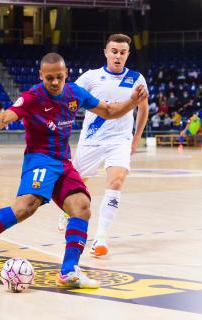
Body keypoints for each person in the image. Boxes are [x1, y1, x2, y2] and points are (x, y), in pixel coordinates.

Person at [0, 53, 148, 288]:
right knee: (24, 207)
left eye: (59, 77)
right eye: (50, 78)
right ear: (41, 76)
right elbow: (4, 118)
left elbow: (109, 111)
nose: (55, 82)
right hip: (39, 160)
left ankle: (69, 271)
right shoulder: (32, 98)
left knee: (81, 207)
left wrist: (131, 102)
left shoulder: (75, 93)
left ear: (66, 74)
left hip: (63, 162)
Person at [57, 34, 149, 258]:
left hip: (120, 140)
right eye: (114, 51)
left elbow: (143, 110)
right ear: (106, 52)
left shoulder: (137, 79)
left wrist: (135, 140)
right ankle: (68, 211)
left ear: (128, 54)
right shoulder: (91, 77)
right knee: (78, 182)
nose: (118, 56)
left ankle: (100, 237)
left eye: (122, 52)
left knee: (116, 181)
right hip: (91, 139)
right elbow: (69, 99)